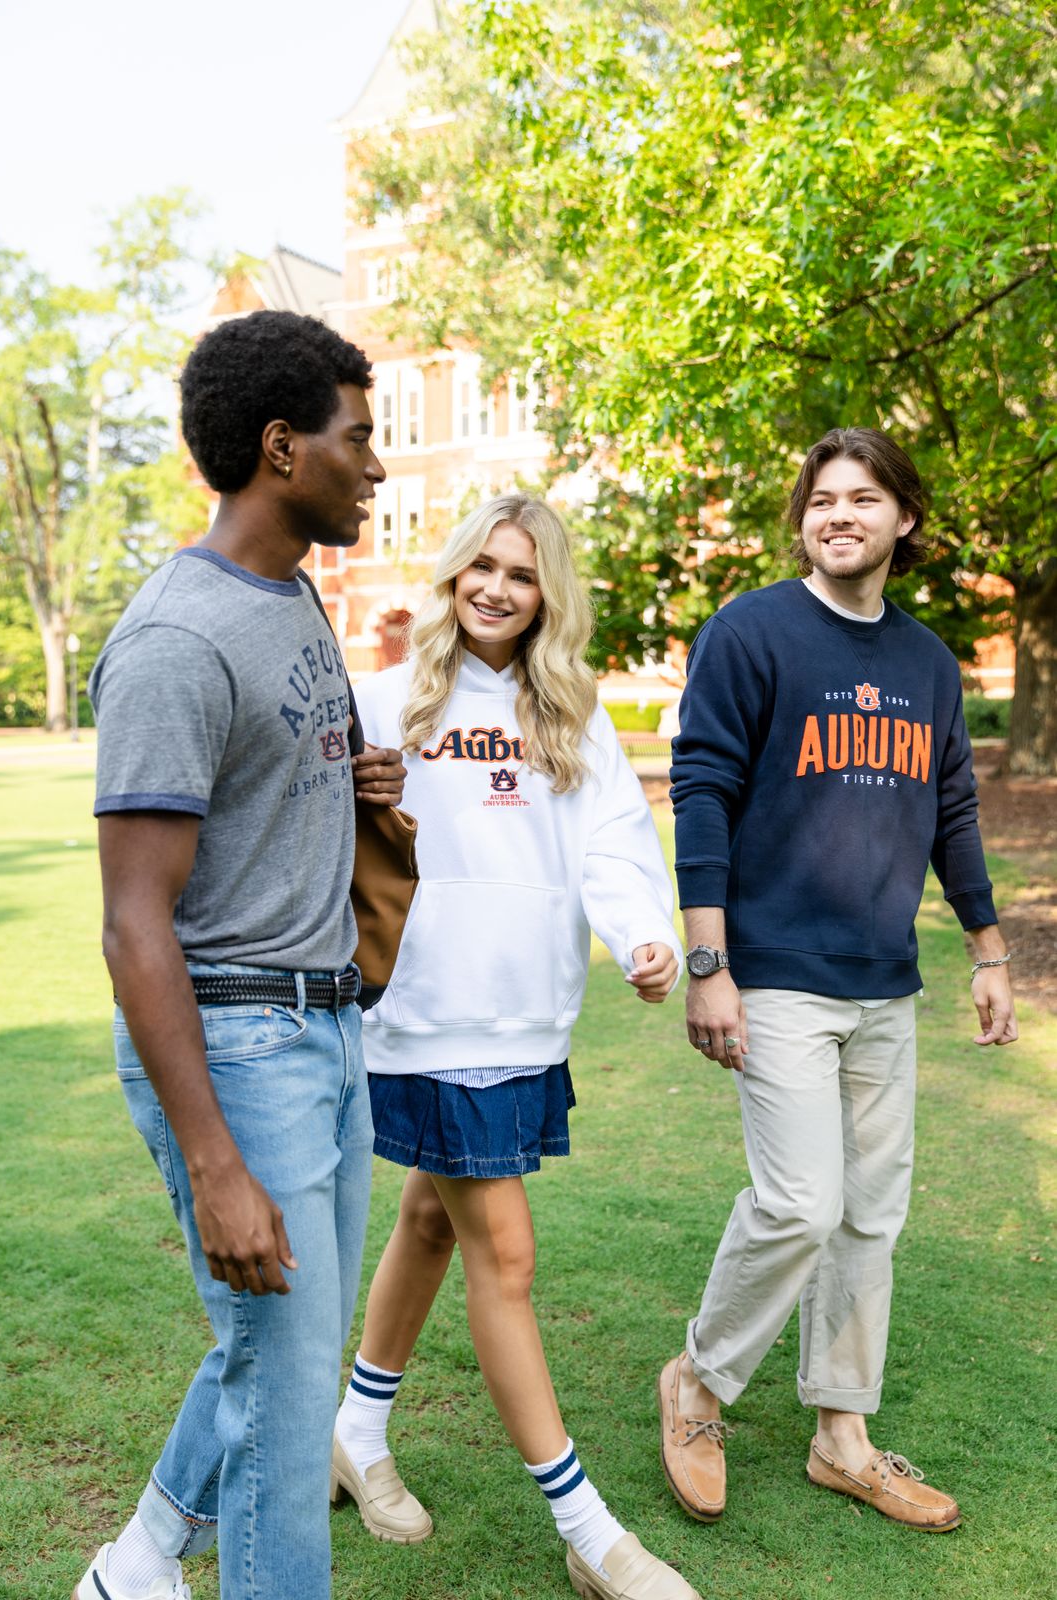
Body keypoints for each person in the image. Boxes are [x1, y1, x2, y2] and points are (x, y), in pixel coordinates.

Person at [75, 310, 405, 1600]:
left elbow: (265, 784)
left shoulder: (293, 589)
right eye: (358, 439)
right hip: (240, 1042)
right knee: (285, 1402)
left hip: (327, 1030)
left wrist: (354, 776)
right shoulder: (174, 642)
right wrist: (216, 1163)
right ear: (282, 449)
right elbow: (131, 922)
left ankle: (142, 1559)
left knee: (282, 1351)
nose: (375, 465)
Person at [330, 494, 698, 1600]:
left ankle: (354, 1427)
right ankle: (591, 1534)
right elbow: (329, 836)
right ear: (452, 574)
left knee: (432, 1219)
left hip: (524, 1012)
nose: (496, 587)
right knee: (506, 1257)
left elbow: (611, 842)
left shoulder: (569, 710)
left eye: (521, 574)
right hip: (426, 1013)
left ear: (550, 595)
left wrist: (641, 934)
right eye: (480, 566)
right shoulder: (385, 699)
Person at [658, 427, 1017, 1535]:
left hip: (883, 980)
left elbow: (949, 808)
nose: (837, 515)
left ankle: (840, 1435)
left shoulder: (926, 663)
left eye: (862, 498)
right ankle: (698, 1382)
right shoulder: (750, 631)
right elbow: (702, 788)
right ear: (802, 519)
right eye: (820, 500)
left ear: (901, 518)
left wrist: (986, 947)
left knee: (869, 1215)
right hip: (772, 976)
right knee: (798, 1200)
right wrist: (708, 963)